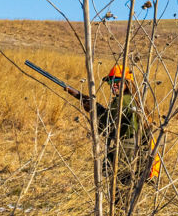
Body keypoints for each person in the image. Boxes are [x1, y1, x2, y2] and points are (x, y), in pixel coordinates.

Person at [65, 65, 158, 201]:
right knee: (128, 197)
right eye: (110, 82)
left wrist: (92, 108)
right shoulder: (134, 99)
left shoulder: (122, 101)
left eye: (117, 82)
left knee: (119, 198)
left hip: (125, 158)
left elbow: (107, 126)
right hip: (133, 158)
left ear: (127, 82)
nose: (113, 85)